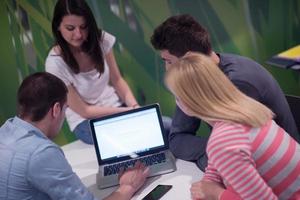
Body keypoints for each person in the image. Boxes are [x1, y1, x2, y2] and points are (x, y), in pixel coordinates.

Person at [150, 14, 299, 171]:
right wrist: (215, 149)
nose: (167, 69)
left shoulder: (237, 83)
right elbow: (177, 139)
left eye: (169, 61)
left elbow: (236, 156)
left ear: (189, 58)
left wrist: (215, 151)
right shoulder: (196, 79)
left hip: (277, 171)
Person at [165, 53, 300, 200]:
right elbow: (217, 160)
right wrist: (209, 181)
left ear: (188, 103)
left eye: (177, 97)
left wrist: (216, 193)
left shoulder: (223, 141)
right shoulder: (244, 108)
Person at [0, 72, 149, 200]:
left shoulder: (5, 129)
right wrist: (127, 187)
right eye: (66, 109)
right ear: (56, 109)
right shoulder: (42, 153)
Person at [45, 0, 171, 144]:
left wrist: (135, 107)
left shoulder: (101, 39)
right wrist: (127, 112)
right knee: (135, 137)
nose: (78, 34)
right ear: (58, 27)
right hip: (85, 122)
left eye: (83, 26)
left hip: (116, 107)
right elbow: (84, 111)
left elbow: (117, 80)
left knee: (167, 126)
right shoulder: (55, 63)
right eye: (70, 28)